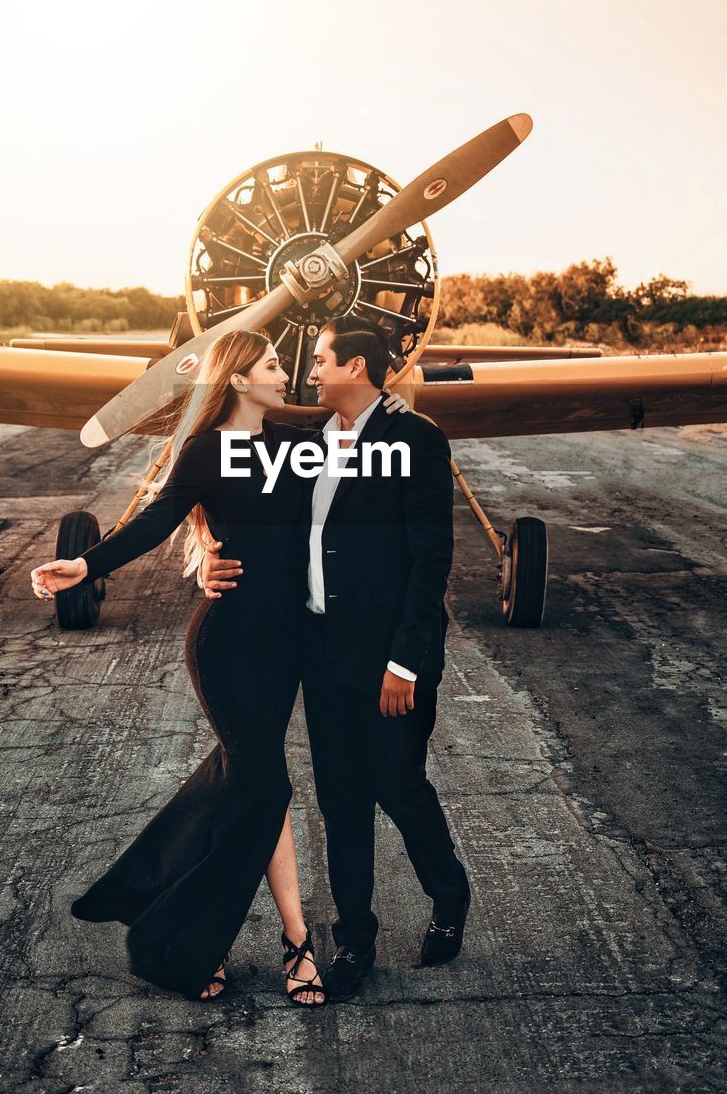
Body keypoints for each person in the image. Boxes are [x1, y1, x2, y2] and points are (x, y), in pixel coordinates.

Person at [29, 330, 329, 1005]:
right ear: (242, 379)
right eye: (275, 366)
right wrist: (83, 565)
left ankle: (200, 924)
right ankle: (289, 940)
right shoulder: (205, 452)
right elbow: (155, 521)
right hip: (225, 644)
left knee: (256, 786)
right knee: (266, 781)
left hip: (285, 644)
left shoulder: (293, 446)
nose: (288, 374)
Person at [201, 315, 471, 1002]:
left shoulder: (417, 439)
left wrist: (406, 663)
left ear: (356, 368)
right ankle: (355, 938)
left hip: (389, 660)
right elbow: (237, 492)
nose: (310, 370)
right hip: (320, 654)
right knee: (341, 799)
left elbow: (430, 557)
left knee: (398, 787)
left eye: (321, 359)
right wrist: (210, 557)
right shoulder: (306, 442)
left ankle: (449, 897)